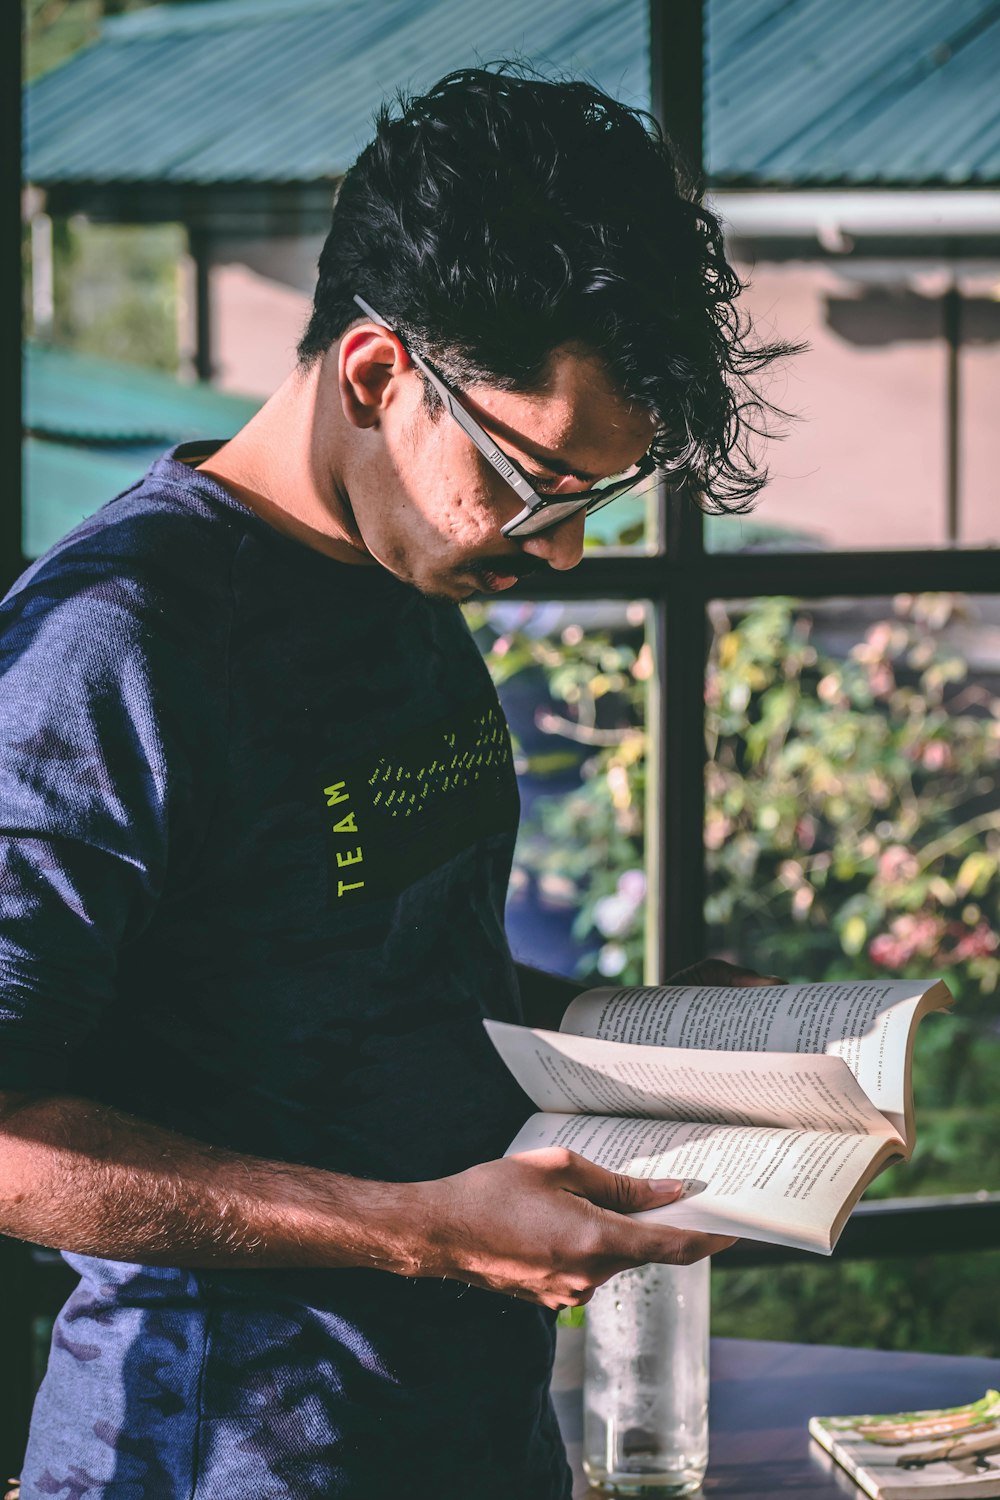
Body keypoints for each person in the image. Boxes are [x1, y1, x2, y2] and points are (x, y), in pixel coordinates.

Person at [0, 67, 789, 1500]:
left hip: (479, 1443)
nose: (563, 554)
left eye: (595, 507)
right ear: (377, 375)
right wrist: (425, 1230)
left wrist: (649, 1037)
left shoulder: (405, 577)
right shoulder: (110, 649)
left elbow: (384, 997)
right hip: (219, 1459)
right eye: (538, 484)